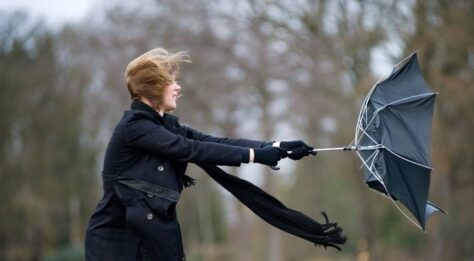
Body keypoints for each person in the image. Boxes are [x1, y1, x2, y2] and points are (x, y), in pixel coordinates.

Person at [84, 48, 315, 260]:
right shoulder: (134, 127)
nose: (178, 87)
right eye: (170, 82)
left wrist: (275, 146)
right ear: (153, 87)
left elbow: (212, 141)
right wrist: (256, 156)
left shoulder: (164, 126)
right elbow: (190, 149)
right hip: (117, 247)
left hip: (151, 242)